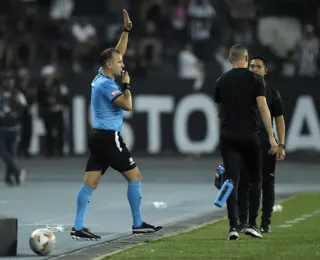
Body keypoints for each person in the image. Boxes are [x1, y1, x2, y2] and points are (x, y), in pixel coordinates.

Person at [71, 10, 163, 241]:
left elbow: (117, 51)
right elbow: (127, 105)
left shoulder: (99, 77)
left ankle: (78, 226)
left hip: (97, 136)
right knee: (135, 177)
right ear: (109, 64)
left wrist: (126, 31)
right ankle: (138, 223)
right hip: (109, 137)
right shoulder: (106, 85)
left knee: (90, 183)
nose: (123, 63)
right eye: (120, 62)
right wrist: (127, 85)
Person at [214, 44, 278, 240]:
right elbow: (263, 108)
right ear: (246, 58)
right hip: (250, 135)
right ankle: (252, 224)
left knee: (231, 181)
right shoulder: (256, 79)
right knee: (256, 179)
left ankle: (233, 226)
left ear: (230, 58)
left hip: (229, 135)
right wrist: (272, 137)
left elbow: (219, 112)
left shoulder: (221, 81)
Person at [238, 56, 286, 234]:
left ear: (265, 71)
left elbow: (279, 119)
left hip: (267, 142)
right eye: (252, 66)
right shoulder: (241, 91)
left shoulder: (272, 92)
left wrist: (281, 144)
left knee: (267, 182)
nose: (254, 69)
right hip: (247, 140)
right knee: (246, 181)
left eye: (258, 66)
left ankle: (266, 222)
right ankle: (247, 221)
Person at [0, 71, 27, 186]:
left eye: (11, 81)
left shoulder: (18, 95)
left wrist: (15, 115)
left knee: (11, 153)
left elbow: (24, 108)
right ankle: (18, 171)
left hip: (14, 128)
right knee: (3, 152)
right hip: (2, 128)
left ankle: (9, 177)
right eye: (6, 81)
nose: (9, 83)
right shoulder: (0, 95)